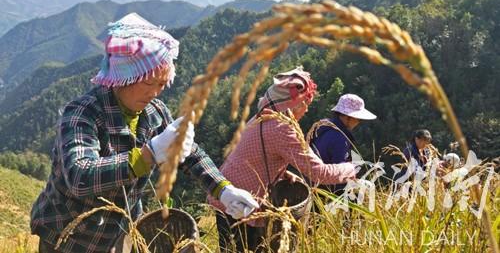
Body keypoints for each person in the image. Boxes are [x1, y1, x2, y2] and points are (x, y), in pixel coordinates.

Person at [30, 13, 258, 253]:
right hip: (71, 237)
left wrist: (223, 190)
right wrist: (148, 154)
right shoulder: (83, 114)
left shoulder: (154, 113)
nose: (155, 93)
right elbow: (80, 176)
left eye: (161, 84)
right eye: (148, 83)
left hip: (119, 235)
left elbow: (190, 154)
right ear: (122, 77)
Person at [208, 67, 357, 252]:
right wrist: (352, 169)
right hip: (242, 203)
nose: (307, 108)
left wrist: (280, 172)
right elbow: (319, 173)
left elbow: (254, 157)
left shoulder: (261, 117)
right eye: (305, 102)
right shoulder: (282, 129)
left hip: (226, 193)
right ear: (291, 104)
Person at [309, 93, 377, 194]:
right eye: (358, 119)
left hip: (312, 184)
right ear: (347, 117)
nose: (358, 122)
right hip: (325, 191)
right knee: (369, 186)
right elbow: (339, 174)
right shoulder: (339, 138)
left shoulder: (322, 128)